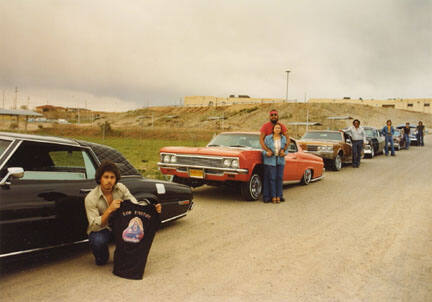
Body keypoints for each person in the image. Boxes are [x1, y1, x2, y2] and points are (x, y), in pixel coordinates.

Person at [84, 160, 161, 265]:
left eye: (112, 177)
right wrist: (110, 209)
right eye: (106, 177)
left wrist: (152, 209)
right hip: (103, 228)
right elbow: (94, 226)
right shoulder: (91, 198)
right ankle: (102, 257)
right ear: (100, 178)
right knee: (98, 241)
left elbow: (135, 205)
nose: (109, 181)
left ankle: (123, 255)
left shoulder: (121, 188)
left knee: (135, 232)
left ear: (116, 179)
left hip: (120, 225)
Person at [260, 109, 289, 203]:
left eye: (275, 114)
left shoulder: (282, 126)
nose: (273, 116)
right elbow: (261, 140)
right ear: (269, 116)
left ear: (278, 116)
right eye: (272, 115)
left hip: (279, 158)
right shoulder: (265, 127)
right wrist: (267, 150)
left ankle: (279, 195)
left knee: (278, 177)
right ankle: (267, 197)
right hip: (269, 157)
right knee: (269, 178)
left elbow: (287, 140)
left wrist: (284, 150)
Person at [263, 123, 287, 203]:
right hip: (270, 161)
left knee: (279, 178)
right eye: (276, 128)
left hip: (280, 160)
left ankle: (279, 196)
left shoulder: (283, 138)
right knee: (272, 178)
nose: (277, 129)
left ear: (281, 130)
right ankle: (273, 196)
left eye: (279, 128)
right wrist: (266, 153)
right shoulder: (267, 138)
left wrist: (285, 153)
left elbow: (286, 149)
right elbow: (263, 149)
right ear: (273, 129)